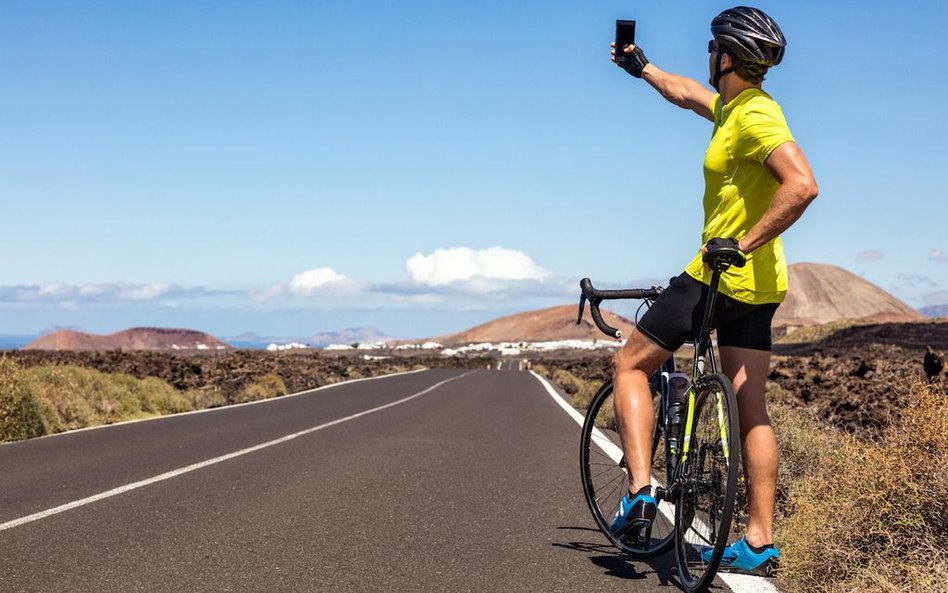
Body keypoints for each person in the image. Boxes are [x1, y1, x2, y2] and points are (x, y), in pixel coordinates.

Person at [607, 6, 818, 576]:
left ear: (724, 56)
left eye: (710, 48)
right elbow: (686, 95)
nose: (706, 57)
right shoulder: (734, 109)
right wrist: (643, 68)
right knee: (752, 407)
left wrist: (739, 243)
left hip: (717, 275)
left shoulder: (755, 118)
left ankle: (641, 489)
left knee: (628, 364)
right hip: (762, 286)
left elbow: (802, 185)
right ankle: (757, 542)